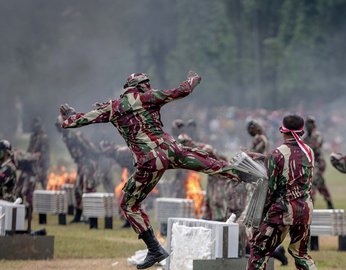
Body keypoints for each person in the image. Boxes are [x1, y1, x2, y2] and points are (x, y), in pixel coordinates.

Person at [60, 71, 237, 269]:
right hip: (172, 150)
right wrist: (194, 78)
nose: (149, 87)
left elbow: (78, 121)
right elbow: (183, 90)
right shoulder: (149, 97)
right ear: (140, 86)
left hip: (150, 161)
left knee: (128, 204)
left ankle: (154, 248)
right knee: (209, 164)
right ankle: (243, 172)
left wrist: (68, 117)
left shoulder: (114, 107)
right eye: (147, 84)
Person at [247, 114, 316, 270]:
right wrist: (263, 157)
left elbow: (270, 189)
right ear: (301, 132)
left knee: (259, 252)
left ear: (282, 131)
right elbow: (293, 160)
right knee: (301, 254)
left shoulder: (275, 154)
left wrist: (261, 216)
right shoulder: (309, 152)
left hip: (281, 211)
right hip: (305, 210)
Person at [55, 116, 101, 223]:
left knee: (88, 189)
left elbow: (91, 148)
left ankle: (90, 216)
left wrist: (92, 161)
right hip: (81, 164)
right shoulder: (65, 137)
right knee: (77, 189)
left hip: (89, 163)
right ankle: (78, 215)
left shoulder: (75, 136)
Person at [303, 117, 334, 209]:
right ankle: (329, 202)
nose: (308, 126)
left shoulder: (318, 136)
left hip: (319, 163)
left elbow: (314, 147)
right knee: (320, 183)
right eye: (307, 124)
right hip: (310, 164)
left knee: (313, 183)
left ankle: (311, 206)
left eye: (310, 124)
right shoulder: (305, 138)